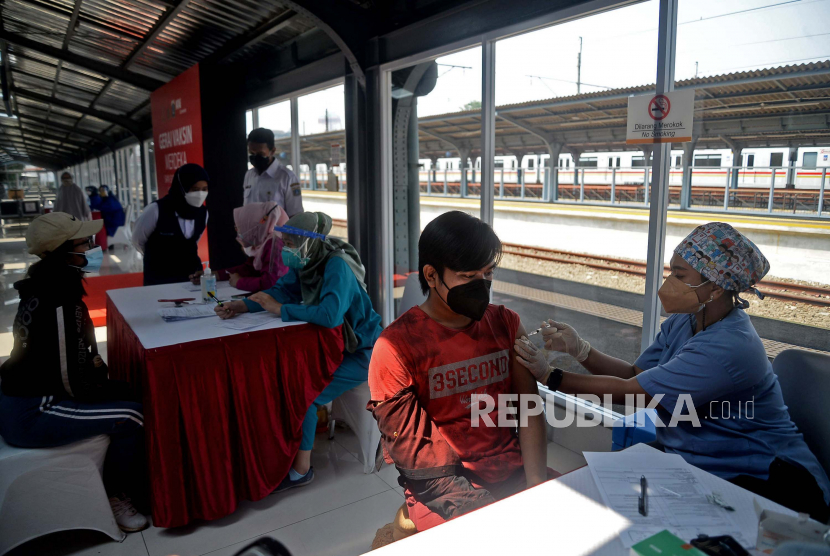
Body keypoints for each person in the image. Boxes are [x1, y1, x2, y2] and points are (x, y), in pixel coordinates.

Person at [514, 222, 830, 523]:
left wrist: (550, 376)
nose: (669, 283)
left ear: (716, 288)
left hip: (768, 478)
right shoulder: (686, 320)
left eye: (679, 275)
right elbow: (634, 373)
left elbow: (635, 395)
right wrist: (580, 349)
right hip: (702, 462)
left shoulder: (729, 347)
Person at [367, 211, 549, 532]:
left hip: (511, 468)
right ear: (432, 275)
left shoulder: (507, 324)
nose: (481, 285)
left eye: (488, 273)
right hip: (442, 483)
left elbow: (529, 412)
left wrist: (537, 487)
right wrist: (482, 510)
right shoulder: (396, 346)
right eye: (468, 277)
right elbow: (417, 457)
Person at [0, 212, 148, 532]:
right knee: (133, 415)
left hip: (34, 396)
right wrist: (112, 391)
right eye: (84, 243)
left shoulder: (45, 287)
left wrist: (110, 385)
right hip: (35, 410)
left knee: (126, 394)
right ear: (61, 252)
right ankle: (116, 496)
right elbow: (74, 383)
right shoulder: (58, 301)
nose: (93, 248)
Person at [214, 211, 381, 490]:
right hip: (338, 348)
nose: (287, 249)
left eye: (291, 243)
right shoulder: (308, 261)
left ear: (309, 242)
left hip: (364, 352)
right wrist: (244, 305)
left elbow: (330, 316)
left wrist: (281, 311)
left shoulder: (336, 266)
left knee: (306, 395)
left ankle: (301, 471)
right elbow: (281, 292)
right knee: (292, 383)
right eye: (286, 243)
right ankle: (290, 455)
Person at [132, 163, 209, 286]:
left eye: (204, 189)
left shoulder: (203, 213)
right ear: (182, 187)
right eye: (195, 189)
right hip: (159, 277)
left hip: (190, 277)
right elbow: (138, 240)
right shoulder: (156, 209)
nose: (200, 194)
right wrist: (156, 256)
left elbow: (193, 242)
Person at [196, 201, 289, 292]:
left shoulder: (274, 245)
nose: (238, 232)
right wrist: (216, 275)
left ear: (253, 226)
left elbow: (271, 283)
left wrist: (239, 282)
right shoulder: (263, 243)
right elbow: (249, 269)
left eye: (240, 227)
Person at [244, 127, 303, 215]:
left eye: (260, 154)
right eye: (252, 153)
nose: (255, 157)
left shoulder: (287, 178)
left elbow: (296, 216)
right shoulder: (249, 175)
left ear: (272, 151)